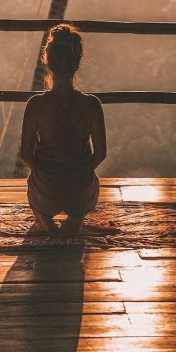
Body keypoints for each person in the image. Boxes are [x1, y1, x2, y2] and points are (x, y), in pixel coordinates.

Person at [20, 24, 107, 238]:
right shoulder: (92, 105)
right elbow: (101, 153)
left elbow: (25, 153)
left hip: (46, 191)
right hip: (80, 191)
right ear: (77, 63)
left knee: (36, 193)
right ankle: (76, 217)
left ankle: (46, 221)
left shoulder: (35, 105)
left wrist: (44, 173)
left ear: (47, 61)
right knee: (86, 188)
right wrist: (80, 171)